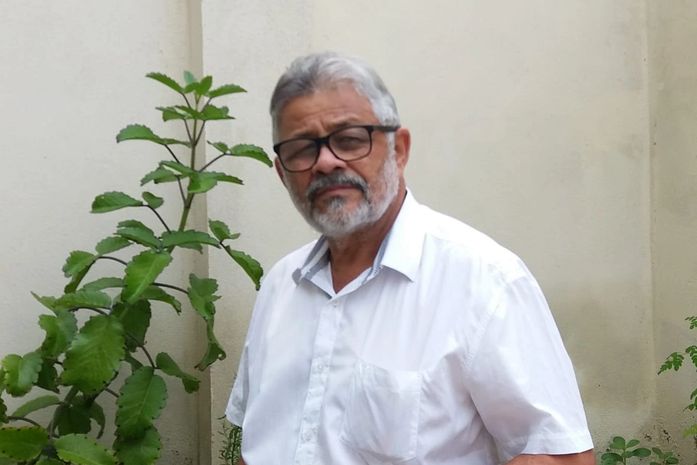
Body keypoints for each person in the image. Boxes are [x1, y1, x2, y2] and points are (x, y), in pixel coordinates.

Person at [226, 51, 594, 465]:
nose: (326, 162)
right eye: (301, 149)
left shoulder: (484, 281)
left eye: (349, 139)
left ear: (398, 150)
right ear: (282, 173)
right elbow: (260, 448)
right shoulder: (280, 286)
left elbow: (562, 457)